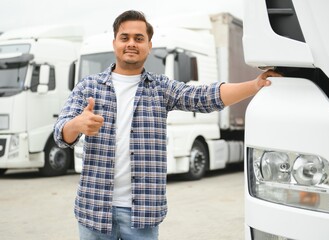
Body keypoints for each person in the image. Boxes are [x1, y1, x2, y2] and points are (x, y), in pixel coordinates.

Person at [54, 10, 281, 240]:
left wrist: (254, 85)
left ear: (149, 45)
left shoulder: (160, 88)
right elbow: (61, 133)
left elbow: (204, 96)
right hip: (94, 209)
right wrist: (77, 124)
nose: (131, 43)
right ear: (114, 43)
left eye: (139, 38)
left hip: (142, 213)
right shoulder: (88, 87)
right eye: (125, 38)